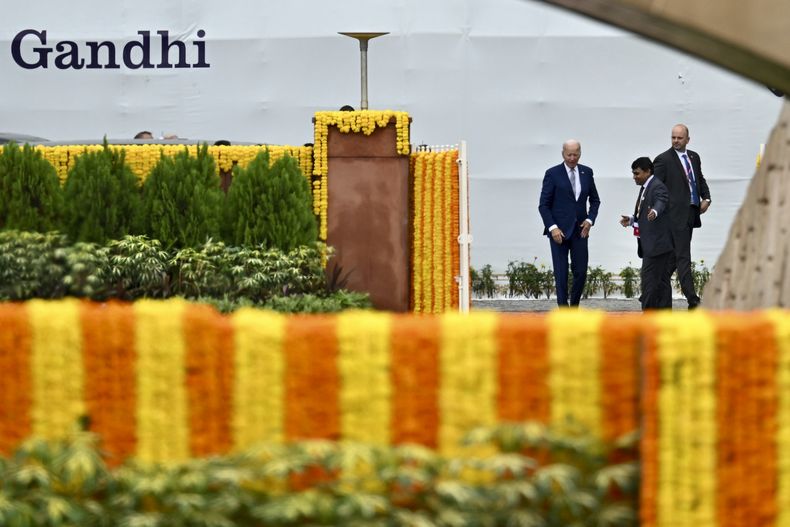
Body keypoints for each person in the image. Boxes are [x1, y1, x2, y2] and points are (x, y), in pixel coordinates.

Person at [653, 124, 711, 309]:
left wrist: (707, 198)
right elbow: (655, 188)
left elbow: (699, 179)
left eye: (679, 138)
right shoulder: (663, 160)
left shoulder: (694, 157)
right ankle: (693, 301)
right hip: (673, 217)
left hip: (691, 214)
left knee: (672, 260)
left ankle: (651, 291)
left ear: (687, 139)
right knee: (683, 258)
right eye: (673, 138)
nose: (676, 141)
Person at [538, 139, 601, 306]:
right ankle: (563, 311)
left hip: (581, 231)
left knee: (580, 272)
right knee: (561, 274)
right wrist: (552, 228)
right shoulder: (552, 173)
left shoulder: (587, 172)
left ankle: (574, 306)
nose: (572, 158)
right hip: (559, 232)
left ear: (580, 153)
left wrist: (589, 220)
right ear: (562, 154)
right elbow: (543, 205)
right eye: (569, 155)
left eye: (576, 154)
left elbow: (595, 201)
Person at [620, 157, 673, 310]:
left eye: (637, 173)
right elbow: (643, 214)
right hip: (656, 245)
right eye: (633, 173)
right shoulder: (646, 187)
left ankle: (648, 318)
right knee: (662, 283)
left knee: (649, 283)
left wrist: (655, 211)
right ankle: (664, 316)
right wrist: (631, 220)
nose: (634, 177)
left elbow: (661, 201)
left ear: (648, 171)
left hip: (656, 246)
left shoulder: (657, 187)